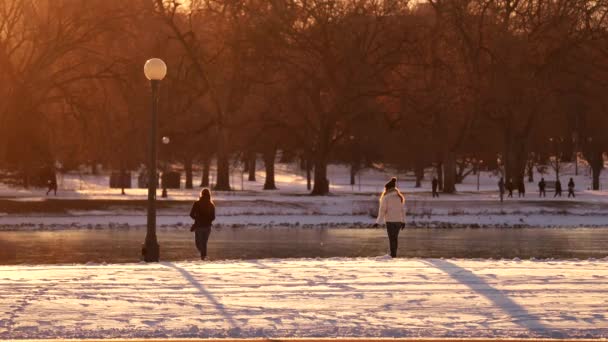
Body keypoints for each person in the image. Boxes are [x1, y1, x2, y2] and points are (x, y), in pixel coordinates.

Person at [375, 177, 405, 258]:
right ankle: (394, 254)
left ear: (387, 188)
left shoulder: (386, 197)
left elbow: (382, 211)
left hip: (390, 222)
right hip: (398, 222)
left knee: (392, 239)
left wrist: (377, 222)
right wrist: (403, 221)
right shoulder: (399, 197)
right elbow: (402, 210)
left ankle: (393, 255)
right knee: (395, 238)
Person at [189, 188, 216, 260]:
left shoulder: (196, 203)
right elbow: (213, 217)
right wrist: (207, 220)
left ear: (201, 194)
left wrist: (197, 219)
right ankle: (203, 256)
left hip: (199, 226)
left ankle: (203, 256)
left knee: (198, 243)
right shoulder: (211, 205)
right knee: (204, 243)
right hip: (207, 227)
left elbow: (191, 214)